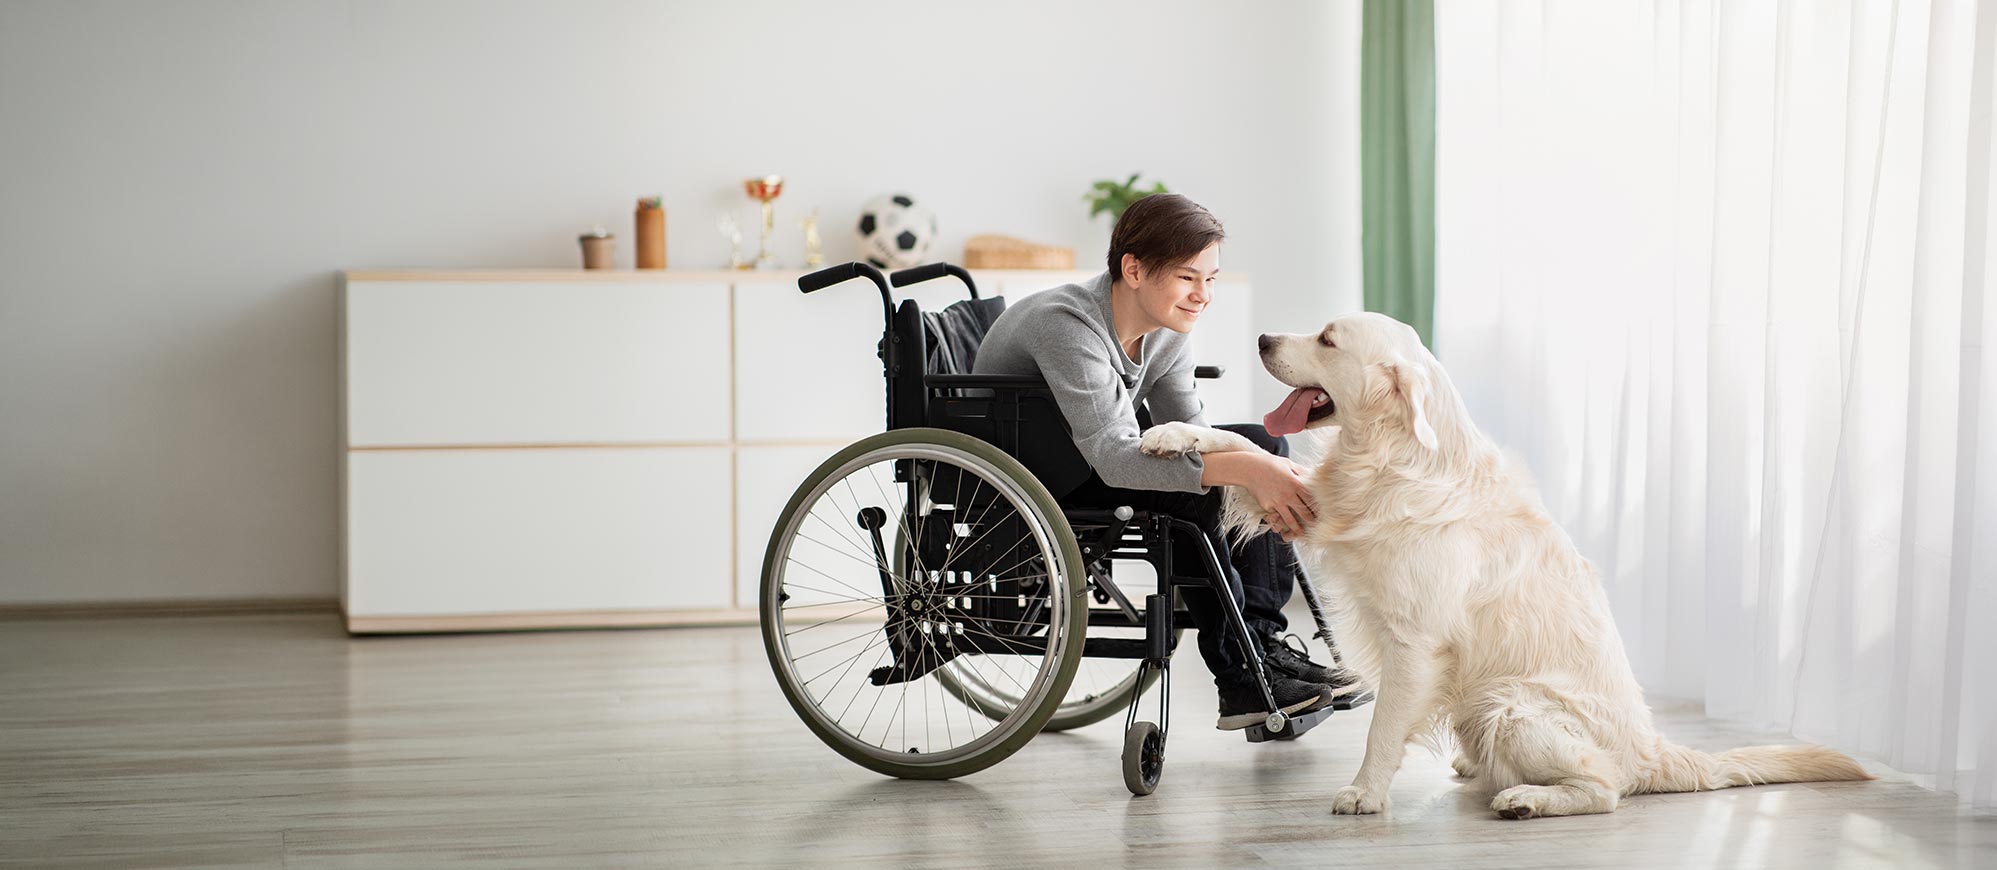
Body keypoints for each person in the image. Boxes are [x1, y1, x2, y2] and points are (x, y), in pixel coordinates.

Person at [973, 193, 1354, 729]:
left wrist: (1253, 459)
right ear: (1133, 269)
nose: (1203, 296)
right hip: (1035, 477)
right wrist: (1246, 471)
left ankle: (1263, 645)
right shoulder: (1065, 325)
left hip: (1088, 458)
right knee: (1190, 491)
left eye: (1212, 279)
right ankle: (1240, 675)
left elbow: (1194, 435)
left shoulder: (1166, 333)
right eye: (1187, 277)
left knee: (1262, 444)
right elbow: (1114, 458)